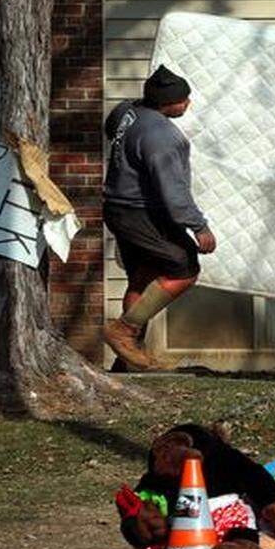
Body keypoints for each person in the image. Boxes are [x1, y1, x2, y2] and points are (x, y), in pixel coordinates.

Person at [101, 65, 216, 370]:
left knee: (143, 277)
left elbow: (111, 127)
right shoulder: (163, 136)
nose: (188, 103)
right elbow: (173, 192)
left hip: (116, 208)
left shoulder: (127, 112)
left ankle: (127, 361)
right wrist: (199, 226)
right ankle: (123, 332)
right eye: (184, 99)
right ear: (169, 103)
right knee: (184, 268)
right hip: (140, 212)